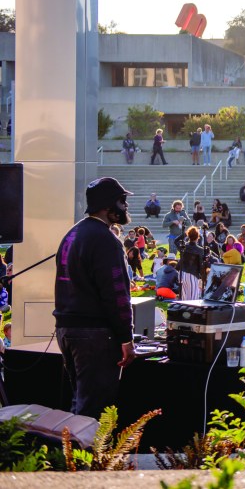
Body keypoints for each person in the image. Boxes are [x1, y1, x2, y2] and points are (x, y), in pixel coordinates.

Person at [53, 177, 137, 418]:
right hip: (93, 335)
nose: (125, 207)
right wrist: (126, 338)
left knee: (80, 403)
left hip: (68, 330)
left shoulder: (73, 234)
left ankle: (72, 455)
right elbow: (117, 295)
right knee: (93, 411)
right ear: (107, 205)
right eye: (122, 201)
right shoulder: (105, 240)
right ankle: (85, 455)